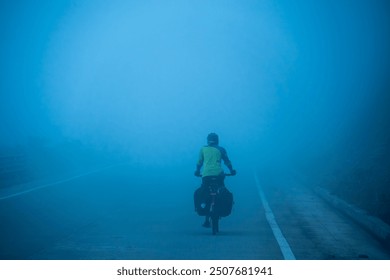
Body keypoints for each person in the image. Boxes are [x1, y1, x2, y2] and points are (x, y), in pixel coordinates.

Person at [194, 132, 236, 227]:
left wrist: (197, 171)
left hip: (206, 175)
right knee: (222, 190)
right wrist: (232, 170)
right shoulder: (221, 149)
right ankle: (221, 207)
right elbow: (227, 162)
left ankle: (206, 219)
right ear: (217, 140)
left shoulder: (203, 149)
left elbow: (199, 163)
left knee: (204, 192)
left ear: (207, 140)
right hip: (219, 175)